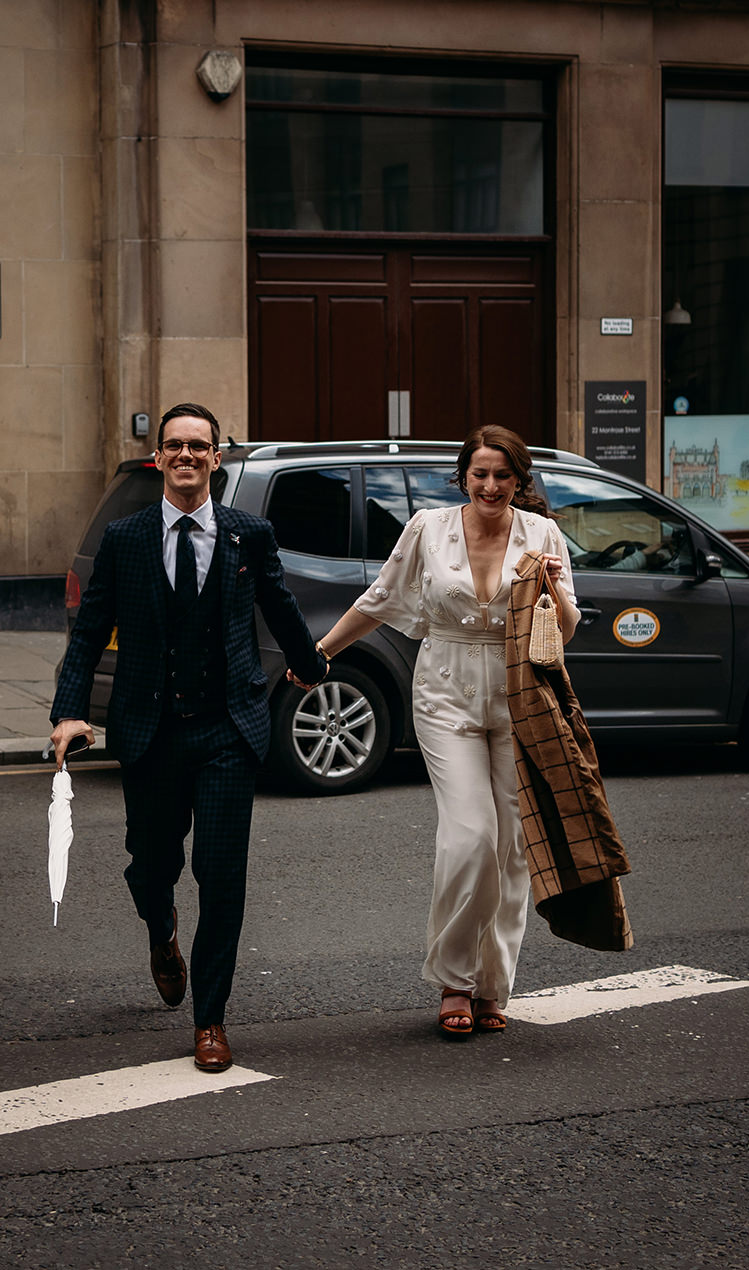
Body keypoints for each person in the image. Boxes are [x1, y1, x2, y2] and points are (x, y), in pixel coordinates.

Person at [49, 401, 328, 1074]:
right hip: (149, 731)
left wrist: (310, 662)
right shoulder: (126, 539)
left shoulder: (246, 533)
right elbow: (88, 633)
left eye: (197, 447)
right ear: (159, 458)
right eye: (173, 446)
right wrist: (69, 711)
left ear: (216, 459)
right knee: (150, 865)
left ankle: (210, 1020)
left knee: (221, 874)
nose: (184, 456)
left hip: (229, 727)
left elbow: (278, 603)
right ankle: (162, 931)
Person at [302, 424, 578, 1038]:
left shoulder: (543, 534)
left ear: (519, 481)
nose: (490, 485)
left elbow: (568, 630)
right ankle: (455, 978)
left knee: (511, 848)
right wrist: (320, 655)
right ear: (463, 477)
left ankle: (491, 987)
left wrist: (554, 587)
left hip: (519, 696)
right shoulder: (428, 528)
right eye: (480, 473)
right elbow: (379, 599)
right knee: (470, 836)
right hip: (445, 693)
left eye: (502, 475)